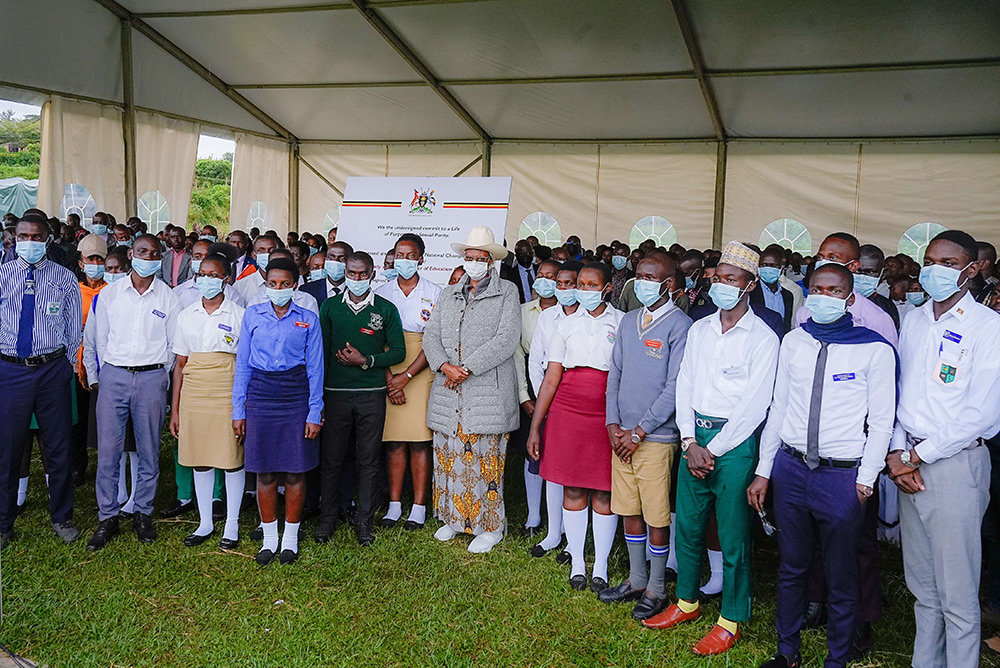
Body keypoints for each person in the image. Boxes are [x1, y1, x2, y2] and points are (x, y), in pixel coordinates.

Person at [750, 263, 896, 668]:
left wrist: (866, 478)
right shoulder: (795, 341)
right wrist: (765, 469)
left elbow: (883, 420)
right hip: (792, 469)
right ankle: (787, 651)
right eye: (816, 288)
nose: (823, 296)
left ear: (849, 298)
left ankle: (838, 657)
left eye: (833, 290)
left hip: (842, 474)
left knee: (841, 571)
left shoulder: (874, 348)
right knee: (792, 565)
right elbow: (778, 407)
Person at [644, 241, 779, 657]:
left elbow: (756, 405)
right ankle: (686, 602)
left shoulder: (763, 338)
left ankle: (731, 618)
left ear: (749, 284)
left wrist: (712, 449)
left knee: (734, 534)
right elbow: (685, 384)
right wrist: (689, 441)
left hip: (734, 444)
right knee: (688, 525)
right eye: (717, 277)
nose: (722, 284)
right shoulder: (700, 328)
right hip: (694, 438)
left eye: (731, 279)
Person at [886, 230, 1000, 668]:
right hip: (908, 461)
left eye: (948, 264)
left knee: (957, 589)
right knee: (923, 585)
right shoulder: (914, 320)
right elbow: (900, 395)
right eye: (930, 260)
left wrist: (916, 456)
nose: (935, 270)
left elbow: (981, 413)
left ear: (971, 270)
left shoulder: (986, 327)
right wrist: (898, 452)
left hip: (955, 465)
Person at [601, 252, 691, 619]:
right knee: (629, 508)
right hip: (621, 436)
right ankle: (636, 578)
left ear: (668, 284)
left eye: (650, 277)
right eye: (639, 275)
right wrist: (613, 425)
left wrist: (640, 431)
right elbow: (615, 374)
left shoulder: (680, 326)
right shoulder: (628, 321)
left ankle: (656, 587)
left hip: (654, 438)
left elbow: (674, 387)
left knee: (656, 513)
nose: (642, 282)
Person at [422, 226, 520, 553]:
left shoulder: (507, 292)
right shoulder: (449, 293)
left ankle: (490, 527)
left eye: (481, 258)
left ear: (491, 261)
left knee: (485, 460)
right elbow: (431, 336)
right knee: (450, 457)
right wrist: (444, 365)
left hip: (486, 392)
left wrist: (466, 368)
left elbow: (506, 339)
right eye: (469, 257)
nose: (474, 263)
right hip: (449, 393)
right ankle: (454, 519)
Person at [527, 262, 623, 591]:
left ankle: (601, 565)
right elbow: (551, 377)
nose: (583, 289)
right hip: (568, 411)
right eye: (580, 283)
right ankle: (578, 561)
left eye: (591, 285)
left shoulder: (622, 323)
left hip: (606, 414)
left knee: (604, 491)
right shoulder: (565, 325)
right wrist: (536, 425)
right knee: (573, 488)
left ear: (607, 288)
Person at [87, 234, 181, 551]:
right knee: (109, 451)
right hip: (114, 375)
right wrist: (101, 375)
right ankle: (108, 515)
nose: (148, 257)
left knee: (148, 450)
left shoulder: (168, 299)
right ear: (131, 254)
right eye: (142, 251)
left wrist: (158, 375)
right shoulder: (110, 295)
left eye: (154, 253)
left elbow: (172, 347)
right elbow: (97, 340)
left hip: (152, 377)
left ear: (160, 258)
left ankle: (143, 512)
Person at [232, 257, 323, 565]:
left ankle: (290, 538)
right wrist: (238, 410)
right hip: (261, 394)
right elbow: (242, 364)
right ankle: (269, 538)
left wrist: (314, 411)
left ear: (295, 286)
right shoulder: (252, 315)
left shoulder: (308, 318)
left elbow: (316, 368)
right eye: (273, 284)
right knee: (265, 470)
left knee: (296, 470)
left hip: (296, 393)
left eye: (285, 284)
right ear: (266, 285)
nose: (278, 289)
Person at [0, 213, 83, 548]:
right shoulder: (2, 276)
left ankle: (61, 517)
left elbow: (74, 327)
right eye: (23, 236)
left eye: (36, 237)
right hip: (10, 371)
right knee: (8, 449)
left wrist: (61, 365)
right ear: (14, 238)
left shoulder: (64, 278)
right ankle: (4, 522)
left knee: (59, 446)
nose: (29, 243)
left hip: (51, 370)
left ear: (48, 239)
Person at [316, 252, 405, 546]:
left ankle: (365, 523)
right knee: (332, 459)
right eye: (351, 273)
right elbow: (322, 354)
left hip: (371, 396)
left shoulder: (386, 309)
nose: (356, 279)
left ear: (372, 273)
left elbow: (398, 353)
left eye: (362, 274)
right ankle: (326, 520)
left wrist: (365, 360)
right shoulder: (329, 308)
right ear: (344, 272)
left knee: (368, 461)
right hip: (336, 395)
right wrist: (320, 399)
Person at [169, 251, 246, 550]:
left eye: (214, 275)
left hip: (227, 392)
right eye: (202, 274)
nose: (207, 280)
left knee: (230, 459)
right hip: (194, 394)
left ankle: (232, 524)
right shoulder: (187, 315)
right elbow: (179, 365)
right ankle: (204, 522)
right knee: (200, 460)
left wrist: (242, 405)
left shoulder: (239, 315)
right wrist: (175, 409)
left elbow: (245, 365)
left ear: (226, 279)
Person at [374, 234, 442, 532]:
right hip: (387, 369)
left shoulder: (435, 292)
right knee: (393, 442)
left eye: (410, 254)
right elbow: (373, 340)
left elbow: (435, 341)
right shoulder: (380, 292)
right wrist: (390, 378)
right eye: (399, 254)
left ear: (421, 259)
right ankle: (393, 504)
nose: (404, 260)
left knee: (419, 442)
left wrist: (407, 376)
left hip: (420, 369)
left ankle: (418, 505)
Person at [527, 260, 582, 559]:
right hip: (551, 403)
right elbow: (537, 362)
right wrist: (543, 402)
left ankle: (574, 541)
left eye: (569, 283)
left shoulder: (592, 317)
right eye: (559, 283)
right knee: (551, 470)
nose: (562, 289)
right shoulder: (548, 317)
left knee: (575, 472)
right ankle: (552, 533)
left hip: (579, 405)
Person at [512, 259, 561, 537]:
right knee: (533, 450)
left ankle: (559, 521)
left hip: (561, 384)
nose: (544, 280)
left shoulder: (570, 313)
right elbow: (518, 356)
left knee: (556, 451)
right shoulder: (522, 312)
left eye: (551, 276)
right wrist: (523, 396)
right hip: (530, 383)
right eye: (540, 275)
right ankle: (533, 517)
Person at [794, 234, 897, 346]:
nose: (823, 263)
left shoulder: (876, 319)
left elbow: (886, 359)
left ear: (853, 266)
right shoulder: (805, 311)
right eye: (820, 257)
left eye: (832, 258)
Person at [74, 233, 109, 482]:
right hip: (76, 362)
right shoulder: (73, 291)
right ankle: (77, 464)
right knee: (77, 417)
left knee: (103, 417)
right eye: (90, 259)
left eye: (100, 259)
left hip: (104, 361)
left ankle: (105, 465)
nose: (95, 264)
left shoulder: (112, 291)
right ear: (81, 262)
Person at [857, 244, 900, 330]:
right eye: (858, 271)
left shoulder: (887, 308)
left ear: (882, 274)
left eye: (871, 272)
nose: (863, 276)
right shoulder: (837, 304)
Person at [753, 245, 795, 332]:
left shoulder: (788, 296)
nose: (768, 269)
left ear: (781, 268)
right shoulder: (750, 292)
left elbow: (786, 326)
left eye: (774, 266)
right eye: (764, 265)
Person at [300, 241, 352, 308]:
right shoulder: (306, 290)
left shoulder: (357, 292)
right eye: (331, 257)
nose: (335, 261)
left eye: (342, 259)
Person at [500, 239, 536, 303]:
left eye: (527, 253)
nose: (525, 256)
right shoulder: (509, 274)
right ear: (516, 256)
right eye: (521, 254)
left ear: (532, 253)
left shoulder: (540, 270)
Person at [608, 244, 634, 309]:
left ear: (628, 258)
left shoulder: (632, 277)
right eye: (616, 254)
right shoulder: (606, 274)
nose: (618, 257)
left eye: (622, 255)